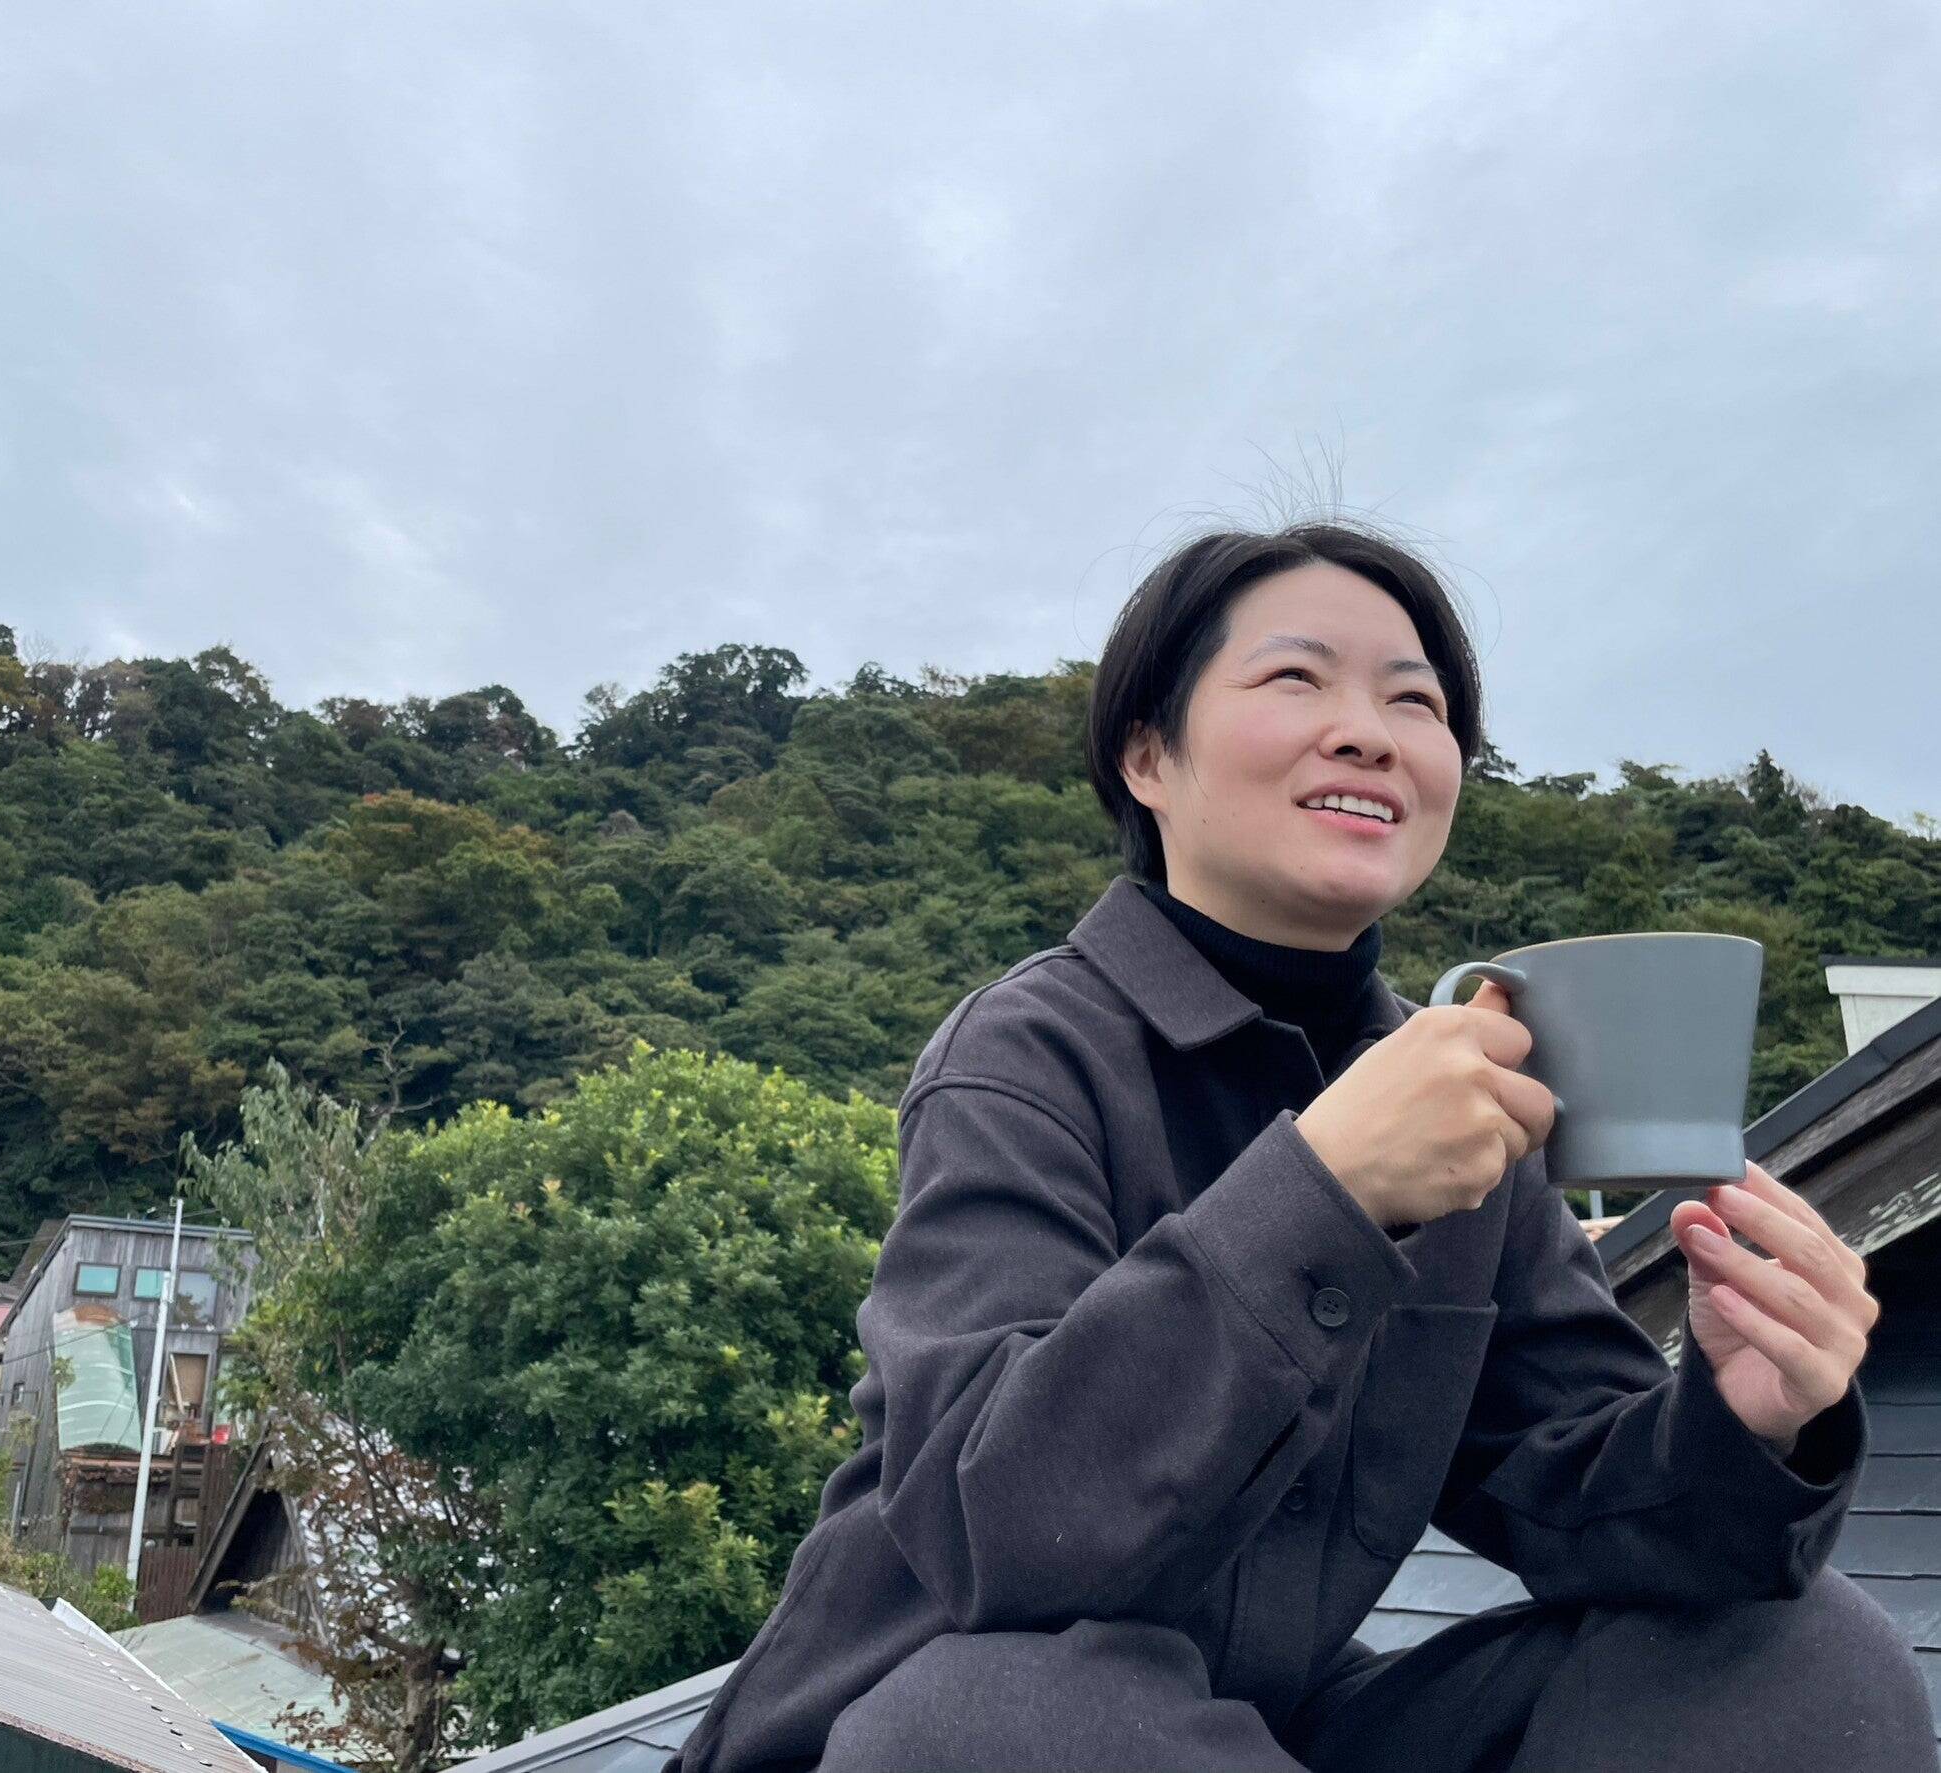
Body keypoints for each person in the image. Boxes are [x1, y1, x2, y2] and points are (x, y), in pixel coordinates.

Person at [663, 521, 1933, 1773]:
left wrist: (1745, 1420)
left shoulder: (1463, 1090)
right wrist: (1329, 1193)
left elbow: (1586, 1501)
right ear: (1148, 757)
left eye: (1415, 701)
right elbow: (999, 1531)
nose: (1370, 732)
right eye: (1294, 678)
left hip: (1254, 1724)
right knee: (1015, 1719)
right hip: (916, 1716)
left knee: (1799, 1654)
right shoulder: (1025, 1054)